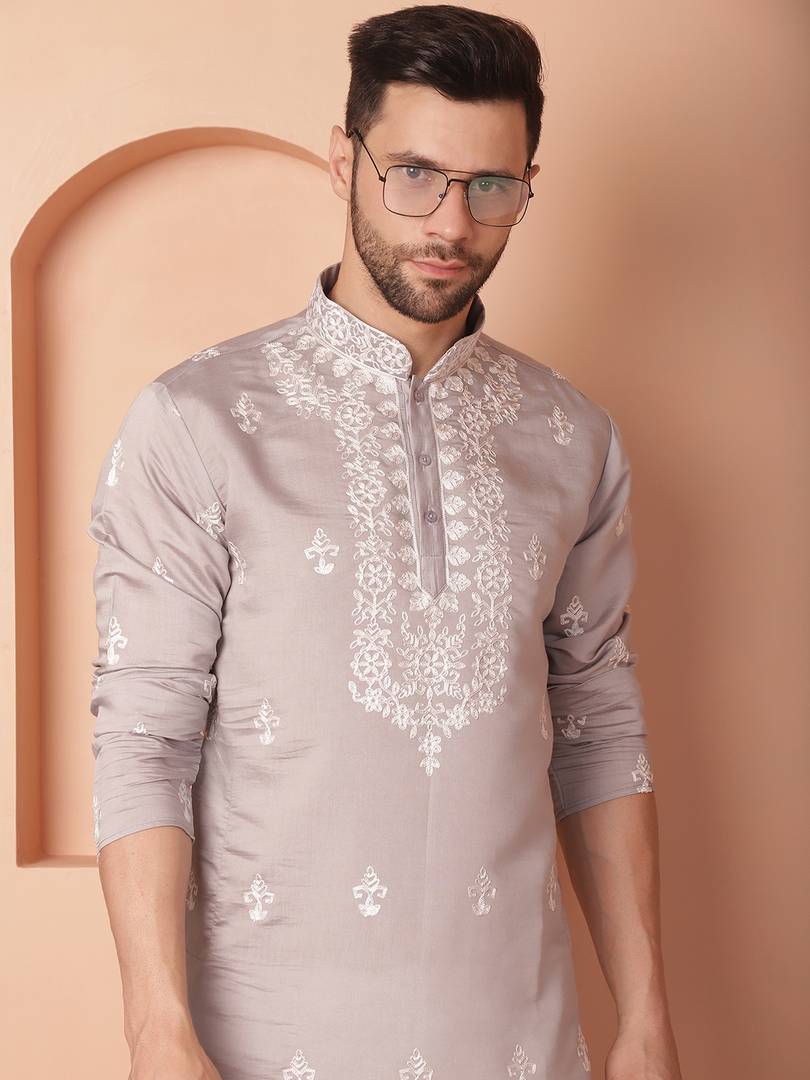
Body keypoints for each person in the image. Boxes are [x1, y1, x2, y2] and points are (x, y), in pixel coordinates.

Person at [87, 5, 682, 1079]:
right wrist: (154, 1031)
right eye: (413, 174)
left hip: (520, 1043)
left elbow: (599, 728)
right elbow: (143, 734)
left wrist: (643, 1022)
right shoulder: (199, 421)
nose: (450, 223)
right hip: (260, 1046)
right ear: (342, 161)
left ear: (526, 187)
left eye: (491, 186)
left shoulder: (572, 436)